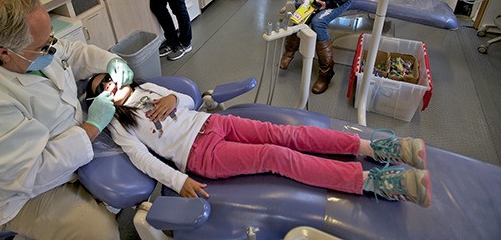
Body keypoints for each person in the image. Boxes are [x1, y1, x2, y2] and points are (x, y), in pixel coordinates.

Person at [0, 0, 136, 240]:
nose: (51, 48)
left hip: (60, 143)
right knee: (100, 232)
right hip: (16, 196)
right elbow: (31, 172)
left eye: (50, 38)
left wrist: (110, 60)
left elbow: (67, 51)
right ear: (3, 53)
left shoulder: (24, 46)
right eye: (43, 46)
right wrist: (92, 127)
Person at [86, 73, 432, 208]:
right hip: (201, 154)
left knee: (288, 134)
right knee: (276, 155)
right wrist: (180, 181)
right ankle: (374, 181)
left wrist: (175, 100)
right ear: (101, 101)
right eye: (100, 90)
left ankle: (373, 148)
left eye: (108, 79)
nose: (108, 87)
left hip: (213, 122)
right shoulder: (118, 124)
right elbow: (143, 160)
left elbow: (190, 100)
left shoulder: (149, 87)